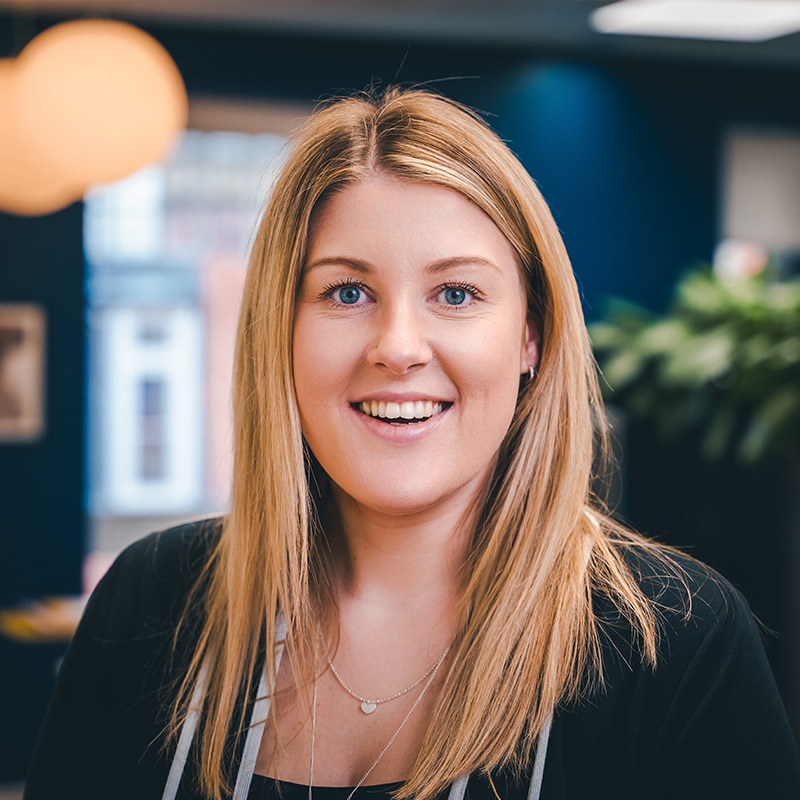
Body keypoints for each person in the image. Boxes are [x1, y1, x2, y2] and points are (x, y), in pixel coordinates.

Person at [24, 87, 800, 800]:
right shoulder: (153, 600)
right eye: (347, 292)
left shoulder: (674, 642)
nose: (398, 346)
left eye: (456, 294)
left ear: (530, 337)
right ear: (280, 335)